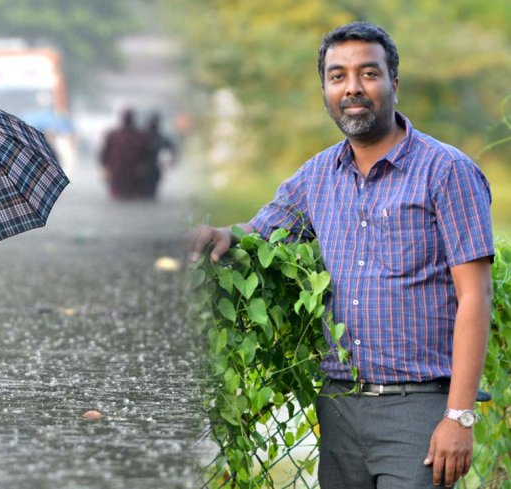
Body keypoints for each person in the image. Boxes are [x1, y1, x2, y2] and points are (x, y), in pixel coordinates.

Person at [188, 22, 493, 488]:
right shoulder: (318, 175)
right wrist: (218, 234)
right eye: (337, 76)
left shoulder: (446, 171)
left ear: (394, 82)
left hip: (418, 409)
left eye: (368, 73)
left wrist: (459, 416)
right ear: (326, 88)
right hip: (339, 405)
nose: (353, 87)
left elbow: (475, 296)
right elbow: (259, 234)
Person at [99, 108, 152, 200]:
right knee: (119, 197)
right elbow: (105, 153)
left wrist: (143, 168)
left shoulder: (140, 136)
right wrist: (105, 168)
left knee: (130, 197)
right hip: (118, 173)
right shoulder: (113, 135)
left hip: (133, 175)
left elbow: (147, 155)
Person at [143, 112, 178, 199]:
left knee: (151, 193)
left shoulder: (160, 138)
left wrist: (173, 159)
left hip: (152, 168)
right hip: (142, 168)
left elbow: (171, 147)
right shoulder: (142, 137)